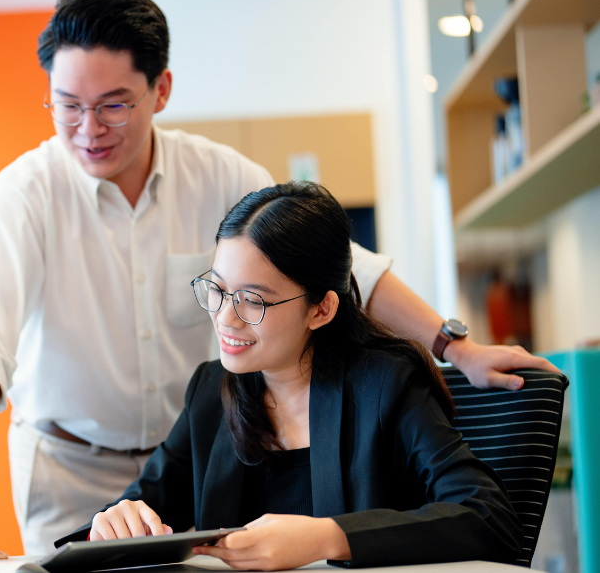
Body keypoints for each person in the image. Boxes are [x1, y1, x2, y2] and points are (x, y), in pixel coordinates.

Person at [0, 0, 555, 558]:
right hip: (78, 460)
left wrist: (453, 346)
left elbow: (339, 263)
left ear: (161, 89)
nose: (88, 127)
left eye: (114, 104)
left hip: (213, 445)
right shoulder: (23, 195)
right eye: (67, 104)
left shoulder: (220, 177)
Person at [63, 181, 522, 569]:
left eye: (253, 300)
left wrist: (327, 538)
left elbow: (489, 518)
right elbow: (144, 508)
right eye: (217, 289)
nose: (225, 318)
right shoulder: (210, 391)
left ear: (321, 309)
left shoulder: (385, 385)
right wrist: (114, 524)